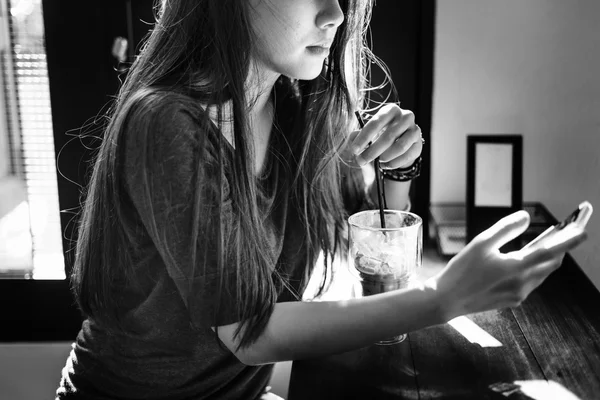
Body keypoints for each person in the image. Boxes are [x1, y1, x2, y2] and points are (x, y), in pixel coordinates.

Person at [56, 0, 588, 399]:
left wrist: (396, 166)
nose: (334, 14)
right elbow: (250, 333)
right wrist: (446, 298)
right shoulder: (166, 123)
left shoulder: (293, 110)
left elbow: (376, 272)